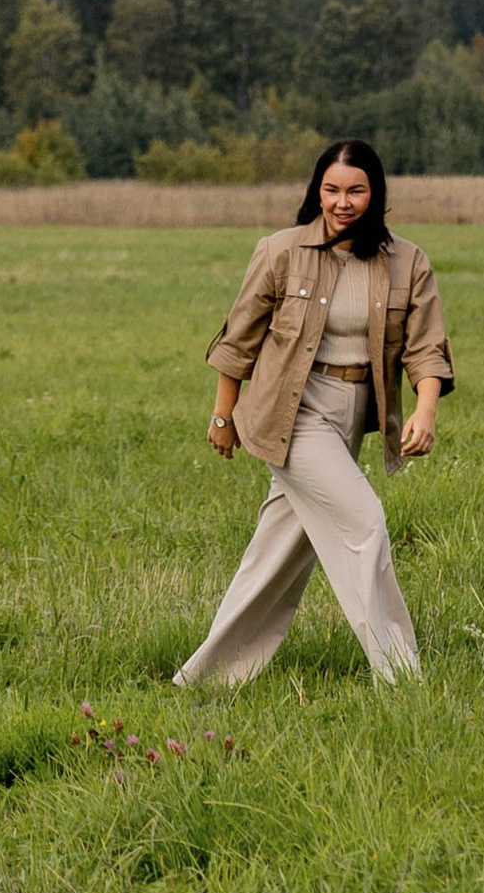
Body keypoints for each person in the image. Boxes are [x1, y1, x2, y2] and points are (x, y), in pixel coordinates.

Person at [174, 137, 452, 688]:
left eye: (355, 190)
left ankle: (205, 680)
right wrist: (223, 417)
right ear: (315, 191)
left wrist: (425, 411)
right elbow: (238, 341)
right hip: (291, 410)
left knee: (279, 552)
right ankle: (402, 677)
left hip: (352, 412)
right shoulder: (281, 251)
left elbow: (426, 348)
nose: (342, 201)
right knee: (365, 521)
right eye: (331, 189)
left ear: (376, 195)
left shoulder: (406, 261)